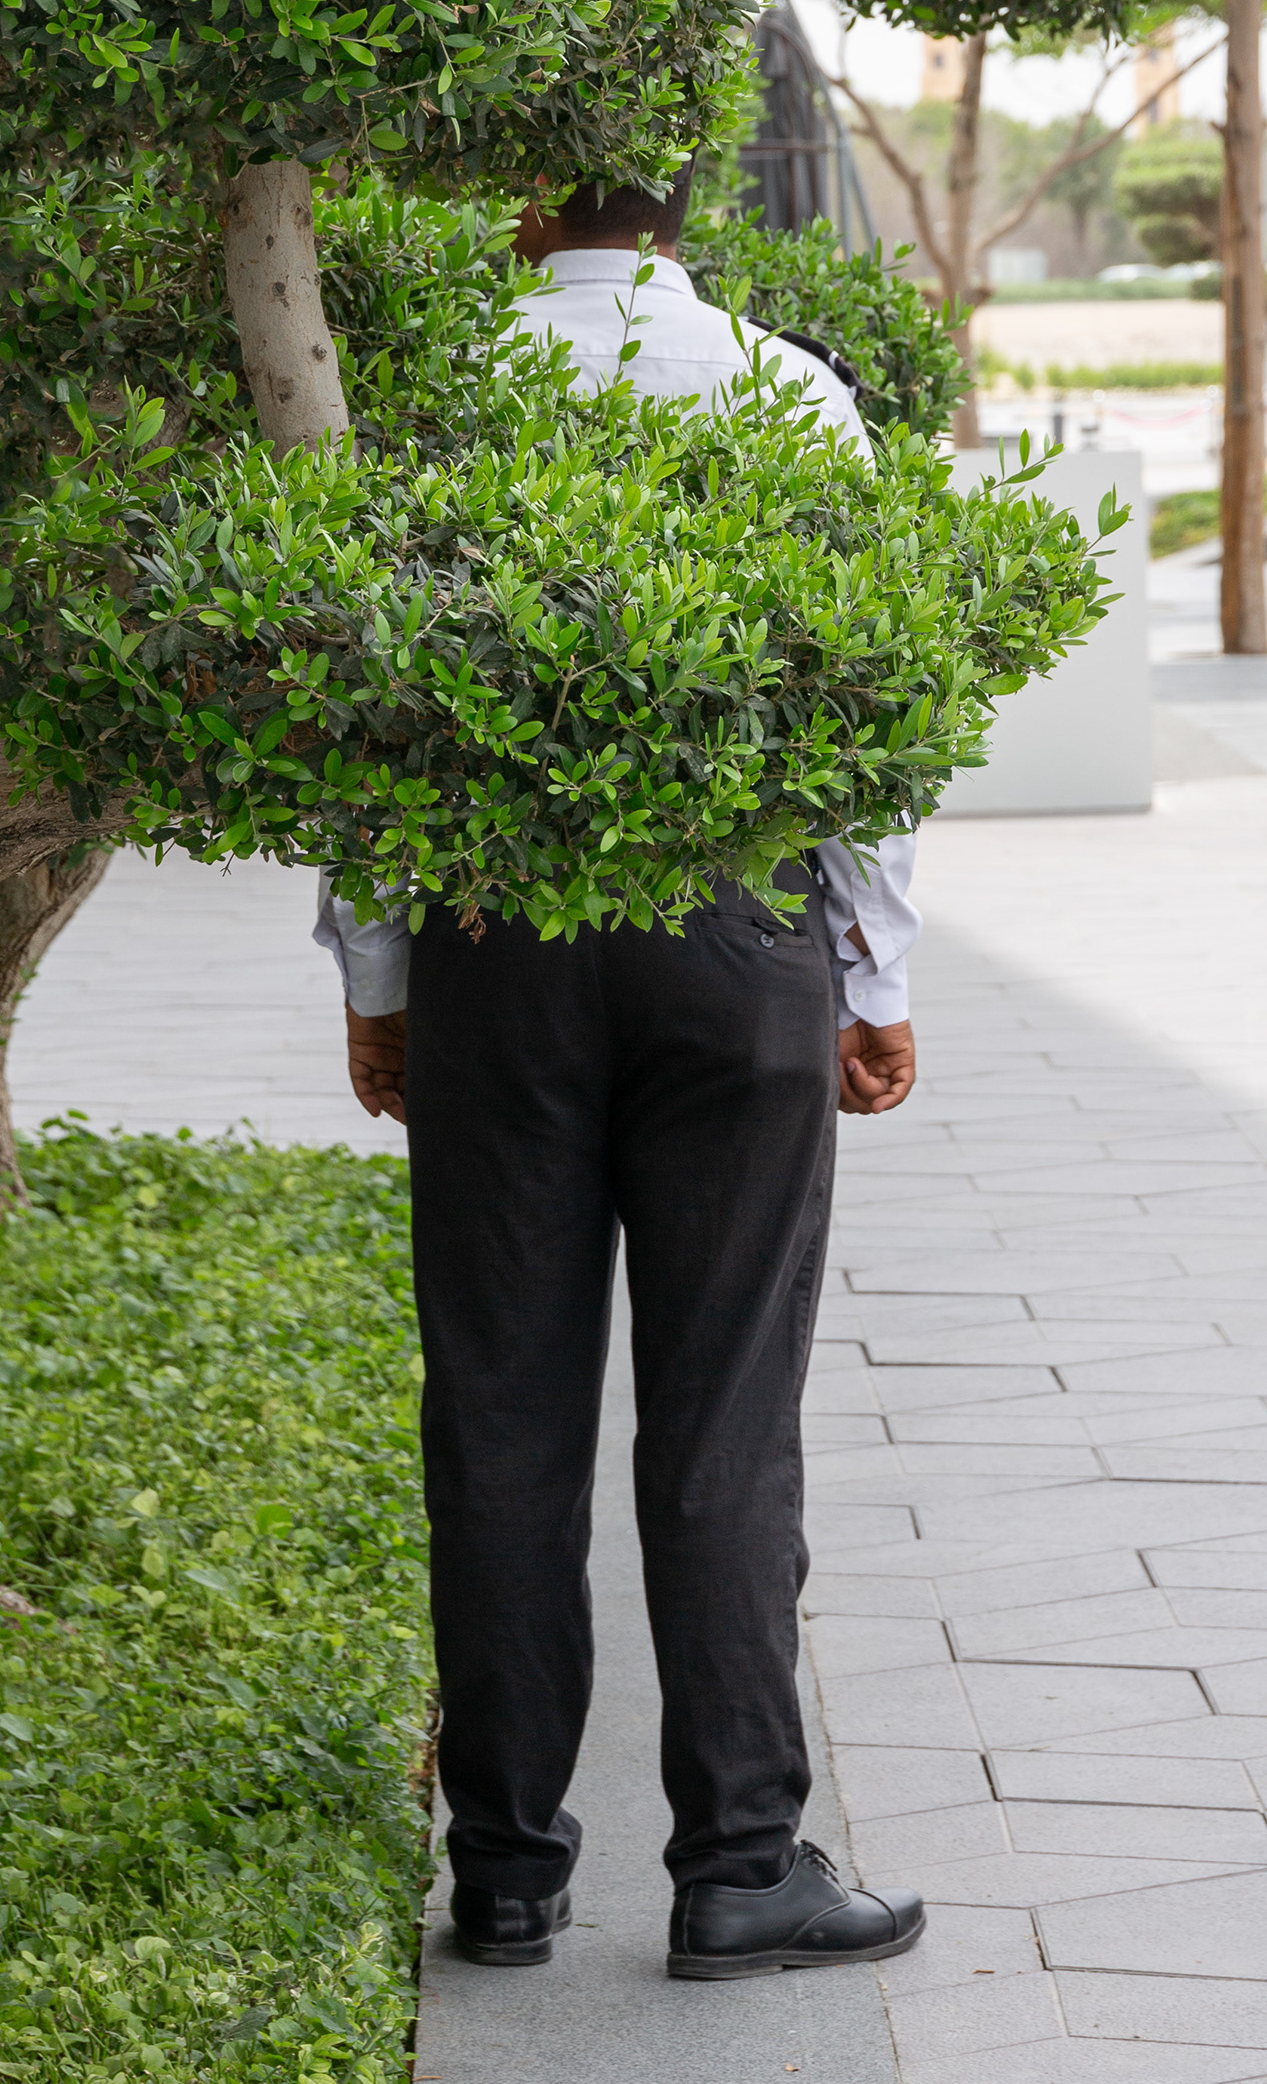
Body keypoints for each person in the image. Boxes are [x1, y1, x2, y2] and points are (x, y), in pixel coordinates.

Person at [314, 164, 926, 1982]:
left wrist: (381, 975)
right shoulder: (788, 389)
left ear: (519, 201)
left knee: (499, 1408)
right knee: (726, 1411)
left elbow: (367, 707)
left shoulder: (435, 394)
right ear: (682, 197)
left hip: (492, 942)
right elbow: (867, 708)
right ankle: (739, 1866)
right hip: (737, 936)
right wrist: (875, 969)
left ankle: (505, 1868)